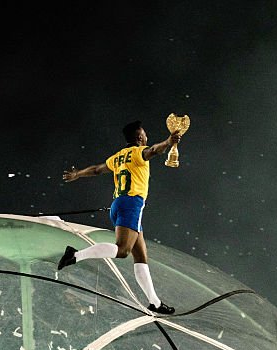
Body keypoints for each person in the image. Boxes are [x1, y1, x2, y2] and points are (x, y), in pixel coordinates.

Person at [57, 120, 183, 315]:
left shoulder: (118, 157)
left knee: (140, 255)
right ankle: (75, 255)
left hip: (119, 204)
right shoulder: (139, 153)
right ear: (140, 137)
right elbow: (154, 151)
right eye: (145, 135)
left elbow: (97, 169)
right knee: (123, 251)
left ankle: (154, 302)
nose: (147, 137)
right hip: (131, 204)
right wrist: (168, 142)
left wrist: (78, 174)